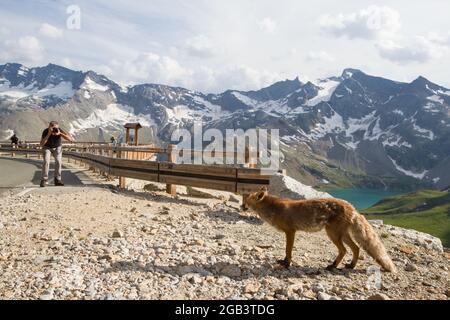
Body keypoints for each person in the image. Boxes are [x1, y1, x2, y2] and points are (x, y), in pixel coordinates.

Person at [39, 121, 73, 187]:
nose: (54, 129)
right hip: (47, 147)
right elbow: (42, 144)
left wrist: (60, 133)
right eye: (53, 128)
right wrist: (49, 134)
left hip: (57, 147)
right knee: (46, 161)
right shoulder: (46, 131)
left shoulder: (59, 130)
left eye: (56, 128)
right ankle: (44, 180)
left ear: (58, 127)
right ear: (49, 127)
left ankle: (57, 180)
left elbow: (69, 139)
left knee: (58, 162)